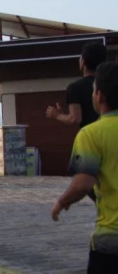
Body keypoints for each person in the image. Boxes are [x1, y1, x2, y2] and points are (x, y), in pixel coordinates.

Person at [51, 61, 118, 274]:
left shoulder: (92, 134)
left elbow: (82, 182)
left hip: (112, 240)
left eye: (93, 90)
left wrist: (62, 202)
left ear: (100, 96)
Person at [47, 40, 107, 202]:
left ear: (84, 62)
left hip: (91, 142)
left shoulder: (75, 88)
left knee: (88, 182)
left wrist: (56, 115)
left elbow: (75, 118)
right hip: (111, 135)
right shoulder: (110, 84)